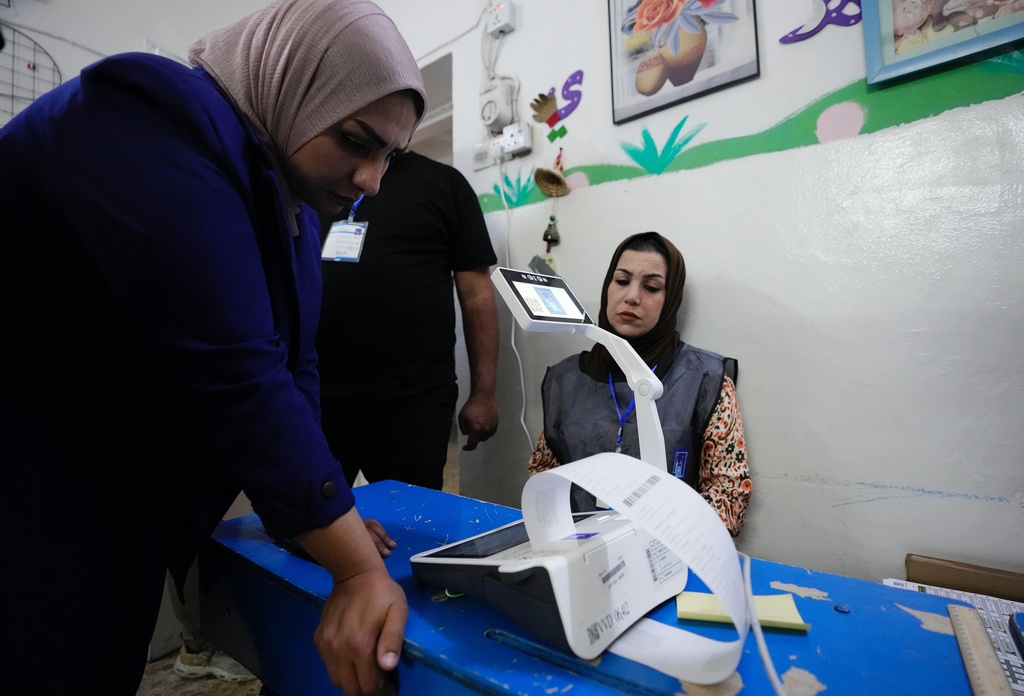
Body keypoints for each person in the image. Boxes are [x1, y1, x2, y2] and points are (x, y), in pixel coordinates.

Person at [0, 1, 427, 694]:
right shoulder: (151, 112)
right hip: (34, 485)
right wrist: (354, 569)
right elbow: (237, 370)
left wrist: (310, 519)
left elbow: (297, 369)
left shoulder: (287, 211)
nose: (371, 180)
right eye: (356, 140)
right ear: (293, 82)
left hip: (119, 501)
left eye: (388, 156)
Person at [527, 232, 752, 536]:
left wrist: (664, 548)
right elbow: (544, 475)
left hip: (669, 559)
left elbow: (729, 495)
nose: (632, 296)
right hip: (577, 555)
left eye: (650, 287)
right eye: (621, 281)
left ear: (670, 299)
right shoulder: (566, 379)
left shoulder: (706, 379)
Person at [317, 150, 499, 490]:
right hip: (317, 394)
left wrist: (483, 394)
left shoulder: (445, 184)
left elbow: (477, 295)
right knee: (308, 522)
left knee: (412, 527)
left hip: (413, 401)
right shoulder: (322, 175)